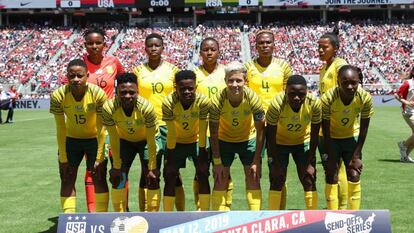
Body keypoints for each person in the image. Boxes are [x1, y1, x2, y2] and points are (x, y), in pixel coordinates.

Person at [50, 59, 108, 213]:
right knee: (67, 177)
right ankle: (69, 219)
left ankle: (100, 218)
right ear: (67, 76)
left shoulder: (98, 94)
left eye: (80, 75)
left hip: (94, 140)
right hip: (71, 140)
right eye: (72, 76)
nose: (76, 79)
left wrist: (99, 156)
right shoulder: (58, 95)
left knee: (99, 177)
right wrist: (63, 157)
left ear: (87, 75)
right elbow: (60, 127)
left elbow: (102, 128)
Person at [133, 33, 182, 211]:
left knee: (173, 172)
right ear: (145, 48)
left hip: (169, 126)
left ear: (163, 48)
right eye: (150, 46)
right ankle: (147, 215)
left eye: (157, 45)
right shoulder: (137, 71)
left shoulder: (173, 70)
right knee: (148, 172)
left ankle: (176, 215)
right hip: (146, 127)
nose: (153, 48)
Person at [245, 29, 293, 210]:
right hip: (253, 125)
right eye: (261, 43)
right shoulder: (248, 67)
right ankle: (255, 216)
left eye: (268, 43)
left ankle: (278, 213)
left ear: (274, 44)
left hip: (277, 125)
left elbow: (290, 94)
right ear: (256, 46)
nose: (265, 46)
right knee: (253, 169)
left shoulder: (284, 66)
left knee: (278, 170)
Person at [209, 61, 265, 211]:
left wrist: (256, 160)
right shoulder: (216, 101)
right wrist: (217, 161)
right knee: (220, 177)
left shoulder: (253, 99)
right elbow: (213, 133)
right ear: (225, 81)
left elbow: (261, 131)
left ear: (245, 81)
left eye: (239, 80)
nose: (235, 84)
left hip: (248, 139)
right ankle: (218, 220)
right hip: (224, 140)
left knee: (253, 177)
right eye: (231, 80)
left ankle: (255, 219)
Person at [102, 73, 160, 212]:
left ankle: (151, 216)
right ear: (116, 92)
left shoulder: (146, 108)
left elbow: (152, 140)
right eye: (123, 92)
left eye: (131, 92)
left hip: (146, 140)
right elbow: (113, 137)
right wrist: (116, 166)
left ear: (138, 92)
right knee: (119, 176)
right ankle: (121, 216)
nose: (127, 96)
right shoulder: (108, 108)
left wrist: (152, 166)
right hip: (123, 140)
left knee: (151, 176)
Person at [83, 28, 125, 212]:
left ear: (104, 44)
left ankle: (121, 208)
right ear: (85, 45)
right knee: (93, 168)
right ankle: (95, 212)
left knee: (118, 166)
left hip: (112, 124)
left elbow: (126, 83)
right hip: (89, 126)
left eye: (98, 42)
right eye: (90, 43)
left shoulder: (113, 62)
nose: (94, 46)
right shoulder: (79, 65)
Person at [321, 65, 373, 210]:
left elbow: (364, 127)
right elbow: (324, 128)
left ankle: (354, 215)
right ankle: (333, 215)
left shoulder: (365, 98)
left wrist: (356, 154)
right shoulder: (327, 99)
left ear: (358, 82)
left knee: (354, 173)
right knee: (331, 174)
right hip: (329, 138)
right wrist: (331, 153)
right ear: (338, 82)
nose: (350, 86)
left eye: (354, 82)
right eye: (345, 82)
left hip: (351, 137)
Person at [266, 75, 321, 210]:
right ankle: (273, 218)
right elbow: (270, 135)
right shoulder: (276, 104)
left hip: (302, 142)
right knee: (277, 178)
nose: (296, 98)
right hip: (279, 143)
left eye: (301, 94)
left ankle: (313, 218)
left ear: (307, 92)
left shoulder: (314, 104)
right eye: (292, 94)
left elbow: (315, 134)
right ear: (286, 92)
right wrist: (274, 161)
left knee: (309, 178)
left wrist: (310, 161)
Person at [162, 70, 210, 211]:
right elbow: (170, 132)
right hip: (176, 142)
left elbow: (203, 130)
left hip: (196, 140)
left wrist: (202, 154)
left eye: (191, 88)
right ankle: (167, 215)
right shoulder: (168, 103)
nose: (187, 92)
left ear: (196, 87)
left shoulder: (203, 101)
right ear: (176, 88)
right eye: (183, 89)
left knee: (203, 174)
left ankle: (204, 213)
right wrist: (170, 157)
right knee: (170, 175)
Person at [194, 37, 232, 210]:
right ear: (200, 52)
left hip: (223, 131)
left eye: (212, 49)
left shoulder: (226, 73)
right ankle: (201, 210)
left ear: (219, 51)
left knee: (224, 171)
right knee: (200, 172)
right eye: (205, 49)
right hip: (199, 132)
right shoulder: (193, 74)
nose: (209, 52)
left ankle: (224, 209)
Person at [318, 30, 349, 210]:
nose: (320, 51)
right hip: (324, 125)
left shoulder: (340, 65)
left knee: (340, 168)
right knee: (330, 167)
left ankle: (343, 208)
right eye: (319, 48)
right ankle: (332, 205)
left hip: (337, 126)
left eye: (325, 47)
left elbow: (346, 92)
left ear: (335, 48)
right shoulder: (323, 68)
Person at [394, 67, 414, 163]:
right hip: (408, 112)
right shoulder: (408, 83)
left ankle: (405, 156)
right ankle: (404, 145)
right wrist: (406, 101)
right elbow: (397, 96)